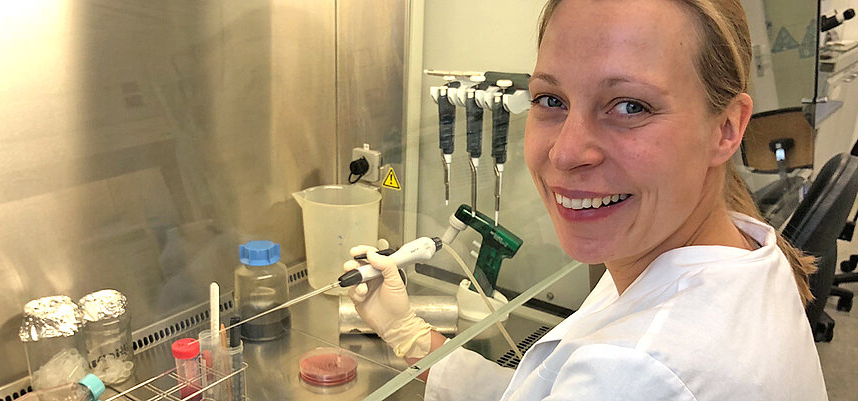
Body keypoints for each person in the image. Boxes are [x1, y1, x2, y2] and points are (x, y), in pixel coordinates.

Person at [343, 0, 829, 399]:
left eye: (630, 106)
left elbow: (614, 379)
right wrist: (406, 332)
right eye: (550, 100)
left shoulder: (637, 370)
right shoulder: (727, 250)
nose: (566, 151)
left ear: (726, 128)